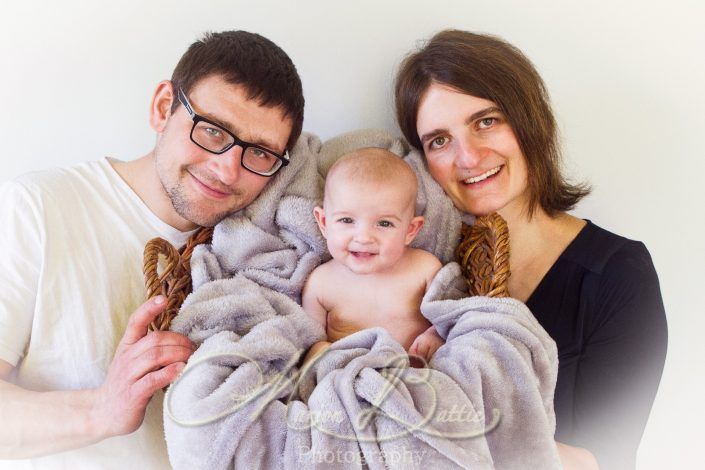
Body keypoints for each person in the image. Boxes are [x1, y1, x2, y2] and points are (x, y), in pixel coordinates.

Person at [0, 30, 304, 469]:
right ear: (164, 107)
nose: (226, 169)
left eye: (259, 153)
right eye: (214, 131)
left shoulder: (262, 256)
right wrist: (101, 410)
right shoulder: (39, 207)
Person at [394, 30, 667, 470]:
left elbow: (608, 459)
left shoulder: (616, 273)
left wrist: (444, 439)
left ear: (529, 120)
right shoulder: (426, 273)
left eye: (486, 121)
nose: (467, 157)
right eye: (439, 140)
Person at [302, 148, 444, 365]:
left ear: (410, 231)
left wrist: (434, 335)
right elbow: (306, 339)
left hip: (414, 377)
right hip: (349, 379)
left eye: (384, 223)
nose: (364, 237)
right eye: (347, 221)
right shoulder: (320, 283)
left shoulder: (424, 269)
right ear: (324, 223)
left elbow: (452, 317)